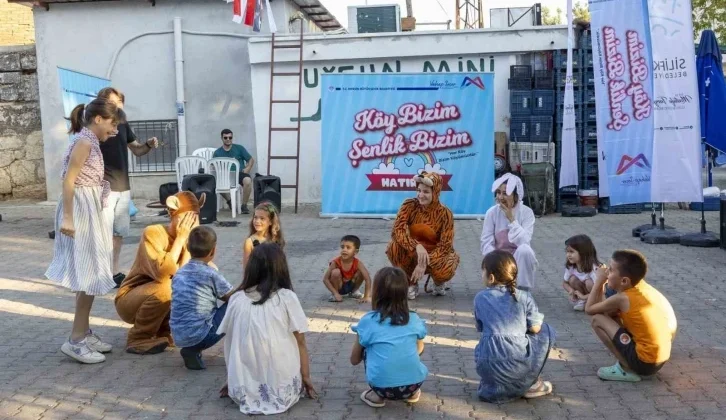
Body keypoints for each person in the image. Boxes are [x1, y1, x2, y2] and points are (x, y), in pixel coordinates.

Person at [45, 98, 126, 364]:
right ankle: (76, 340)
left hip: (88, 207)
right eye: (112, 124)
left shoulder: (89, 140)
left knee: (90, 272)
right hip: (80, 210)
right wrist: (68, 218)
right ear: (99, 119)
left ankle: (84, 332)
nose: (113, 131)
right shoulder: (84, 142)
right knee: (87, 274)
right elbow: (68, 182)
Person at [217, 243, 317, 415]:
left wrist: (232, 378)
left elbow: (231, 343)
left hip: (240, 389)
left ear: (251, 268)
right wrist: (306, 377)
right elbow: (300, 341)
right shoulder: (287, 298)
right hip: (282, 391)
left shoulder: (236, 299)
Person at [115, 191, 203, 354]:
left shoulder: (189, 240)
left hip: (157, 292)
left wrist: (189, 246)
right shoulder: (153, 232)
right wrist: (180, 239)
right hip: (130, 299)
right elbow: (164, 273)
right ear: (172, 214)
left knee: (185, 287)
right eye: (186, 219)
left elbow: (186, 278)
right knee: (168, 287)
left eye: (194, 219)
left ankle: (162, 332)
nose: (190, 225)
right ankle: (138, 338)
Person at [96, 87, 159, 287]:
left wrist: (148, 145)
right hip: (103, 186)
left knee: (118, 233)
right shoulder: (95, 127)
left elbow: (137, 150)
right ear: (104, 103)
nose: (118, 107)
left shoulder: (122, 123)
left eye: (120, 103)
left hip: (123, 186)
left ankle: (114, 272)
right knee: (102, 233)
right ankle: (98, 273)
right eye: (114, 103)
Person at [474, 250, 555, 403]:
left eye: (482, 271)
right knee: (547, 331)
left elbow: (480, 327)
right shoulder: (524, 297)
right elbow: (535, 329)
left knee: (486, 342)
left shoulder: (480, 298)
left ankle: (497, 384)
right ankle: (532, 383)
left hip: (486, 365)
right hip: (517, 365)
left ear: (491, 278)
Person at [585, 250, 677, 382]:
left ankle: (626, 369)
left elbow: (589, 309)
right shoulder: (641, 288)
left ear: (624, 281)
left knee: (597, 320)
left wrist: (599, 281)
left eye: (610, 271)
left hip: (645, 363)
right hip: (659, 359)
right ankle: (628, 362)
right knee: (610, 315)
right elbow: (606, 310)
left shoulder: (623, 298)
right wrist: (604, 283)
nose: (606, 273)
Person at [351, 267, 428, 408]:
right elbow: (420, 350)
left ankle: (376, 397)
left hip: (382, 387)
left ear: (376, 293)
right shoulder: (414, 318)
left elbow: (354, 360)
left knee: (368, 349)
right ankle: (412, 394)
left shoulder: (368, 321)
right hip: (414, 383)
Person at [386, 171, 460, 300]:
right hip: (414, 252)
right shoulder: (409, 205)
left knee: (447, 265)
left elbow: (445, 246)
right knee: (393, 247)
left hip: (435, 255)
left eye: (426, 192)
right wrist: (417, 246)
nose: (420, 195)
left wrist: (423, 263)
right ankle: (411, 282)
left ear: (435, 192)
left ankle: (439, 282)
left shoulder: (445, 213)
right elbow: (397, 231)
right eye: (418, 190)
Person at [170, 226, 233, 370]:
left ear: (187, 247)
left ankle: (191, 350)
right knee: (236, 304)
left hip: (178, 335)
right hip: (203, 335)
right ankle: (239, 353)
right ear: (213, 251)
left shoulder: (179, 273)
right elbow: (231, 297)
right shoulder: (210, 274)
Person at [480, 173, 538, 291]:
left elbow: (524, 241)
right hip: (498, 259)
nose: (500, 197)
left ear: (516, 196)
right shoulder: (492, 213)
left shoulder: (527, 213)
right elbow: (486, 243)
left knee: (525, 250)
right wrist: (496, 262)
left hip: (518, 260)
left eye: (505, 193)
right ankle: (499, 285)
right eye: (498, 192)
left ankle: (523, 290)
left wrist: (512, 219)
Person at [213, 128, 255, 214]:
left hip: (239, 173)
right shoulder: (217, 153)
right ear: (222, 138)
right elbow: (214, 165)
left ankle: (244, 205)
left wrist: (248, 168)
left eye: (230, 137)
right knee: (216, 183)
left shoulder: (239, 148)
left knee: (248, 181)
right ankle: (230, 202)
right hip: (225, 175)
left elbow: (251, 159)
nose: (228, 139)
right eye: (225, 138)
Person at [322, 235, 372, 303]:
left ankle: (354, 291)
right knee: (335, 272)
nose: (344, 250)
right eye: (342, 247)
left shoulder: (358, 263)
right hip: (339, 286)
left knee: (361, 272)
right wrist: (335, 293)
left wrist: (366, 296)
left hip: (351, 284)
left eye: (348, 248)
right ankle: (335, 295)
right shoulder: (335, 262)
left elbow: (367, 279)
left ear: (356, 252)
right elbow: (325, 279)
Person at [562, 234, 602, 311]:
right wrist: (571, 291)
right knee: (572, 279)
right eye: (567, 252)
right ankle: (583, 301)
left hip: (598, 294)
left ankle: (593, 301)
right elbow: (564, 283)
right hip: (587, 293)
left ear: (583, 252)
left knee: (589, 282)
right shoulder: (571, 266)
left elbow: (600, 291)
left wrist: (583, 296)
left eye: (571, 252)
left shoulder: (593, 268)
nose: (568, 255)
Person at [242, 201, 285, 267]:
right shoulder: (249, 242)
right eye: (255, 217)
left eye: (262, 218)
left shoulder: (276, 239)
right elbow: (247, 269)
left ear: (270, 221)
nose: (257, 221)